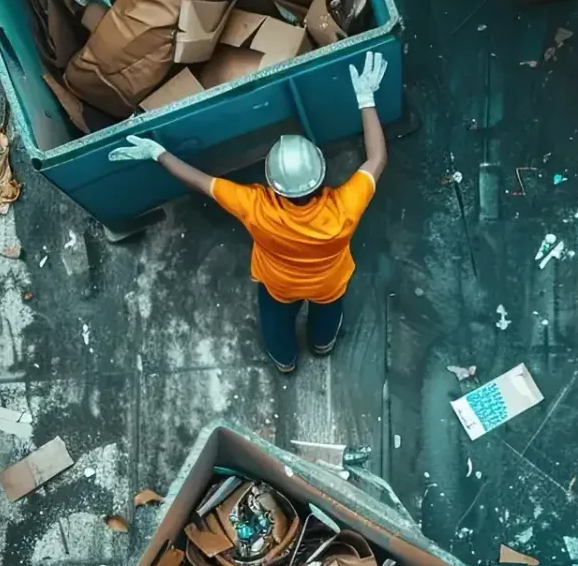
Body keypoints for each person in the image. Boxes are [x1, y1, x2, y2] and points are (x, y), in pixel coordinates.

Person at [116, 52, 389, 373]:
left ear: (273, 184)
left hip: (279, 285)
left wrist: (158, 153)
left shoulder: (254, 206)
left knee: (275, 321)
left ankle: (285, 361)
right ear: (319, 174)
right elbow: (376, 159)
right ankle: (322, 344)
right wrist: (365, 98)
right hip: (328, 283)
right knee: (328, 310)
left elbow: (202, 181)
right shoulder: (345, 206)